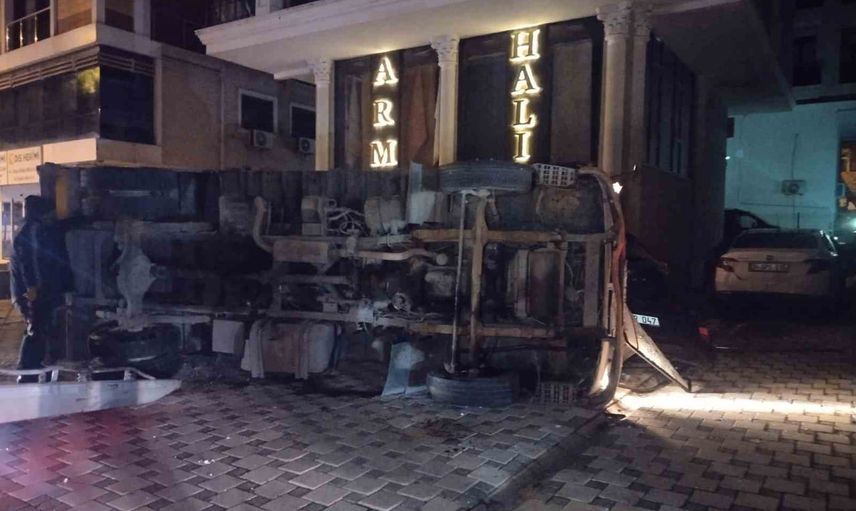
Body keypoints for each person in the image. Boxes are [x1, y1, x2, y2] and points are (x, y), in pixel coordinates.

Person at [9, 196, 71, 382]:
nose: (53, 215)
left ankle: (39, 371)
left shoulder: (33, 229)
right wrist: (32, 288)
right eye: (50, 212)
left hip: (34, 291)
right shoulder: (31, 231)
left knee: (42, 329)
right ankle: (27, 373)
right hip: (33, 293)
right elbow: (30, 262)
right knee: (35, 329)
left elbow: (58, 229)